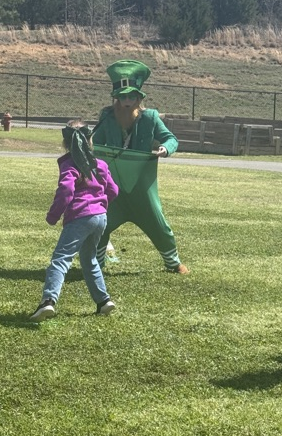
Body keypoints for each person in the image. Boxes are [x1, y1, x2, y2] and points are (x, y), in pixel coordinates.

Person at [92, 60, 189, 274]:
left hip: (142, 188)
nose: (127, 102)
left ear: (138, 98)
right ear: (116, 99)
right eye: (122, 97)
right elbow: (96, 143)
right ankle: (97, 264)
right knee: (101, 224)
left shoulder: (150, 118)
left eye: (131, 97)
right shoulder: (107, 117)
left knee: (158, 224)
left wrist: (165, 148)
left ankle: (173, 263)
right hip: (112, 186)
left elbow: (170, 138)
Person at [30, 120, 119, 321]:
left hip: (80, 217)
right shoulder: (100, 165)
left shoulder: (70, 164)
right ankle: (103, 301)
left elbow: (66, 191)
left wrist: (53, 215)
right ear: (90, 141)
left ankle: (48, 301)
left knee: (61, 260)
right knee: (89, 259)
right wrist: (101, 206)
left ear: (66, 143)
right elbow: (113, 190)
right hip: (100, 218)